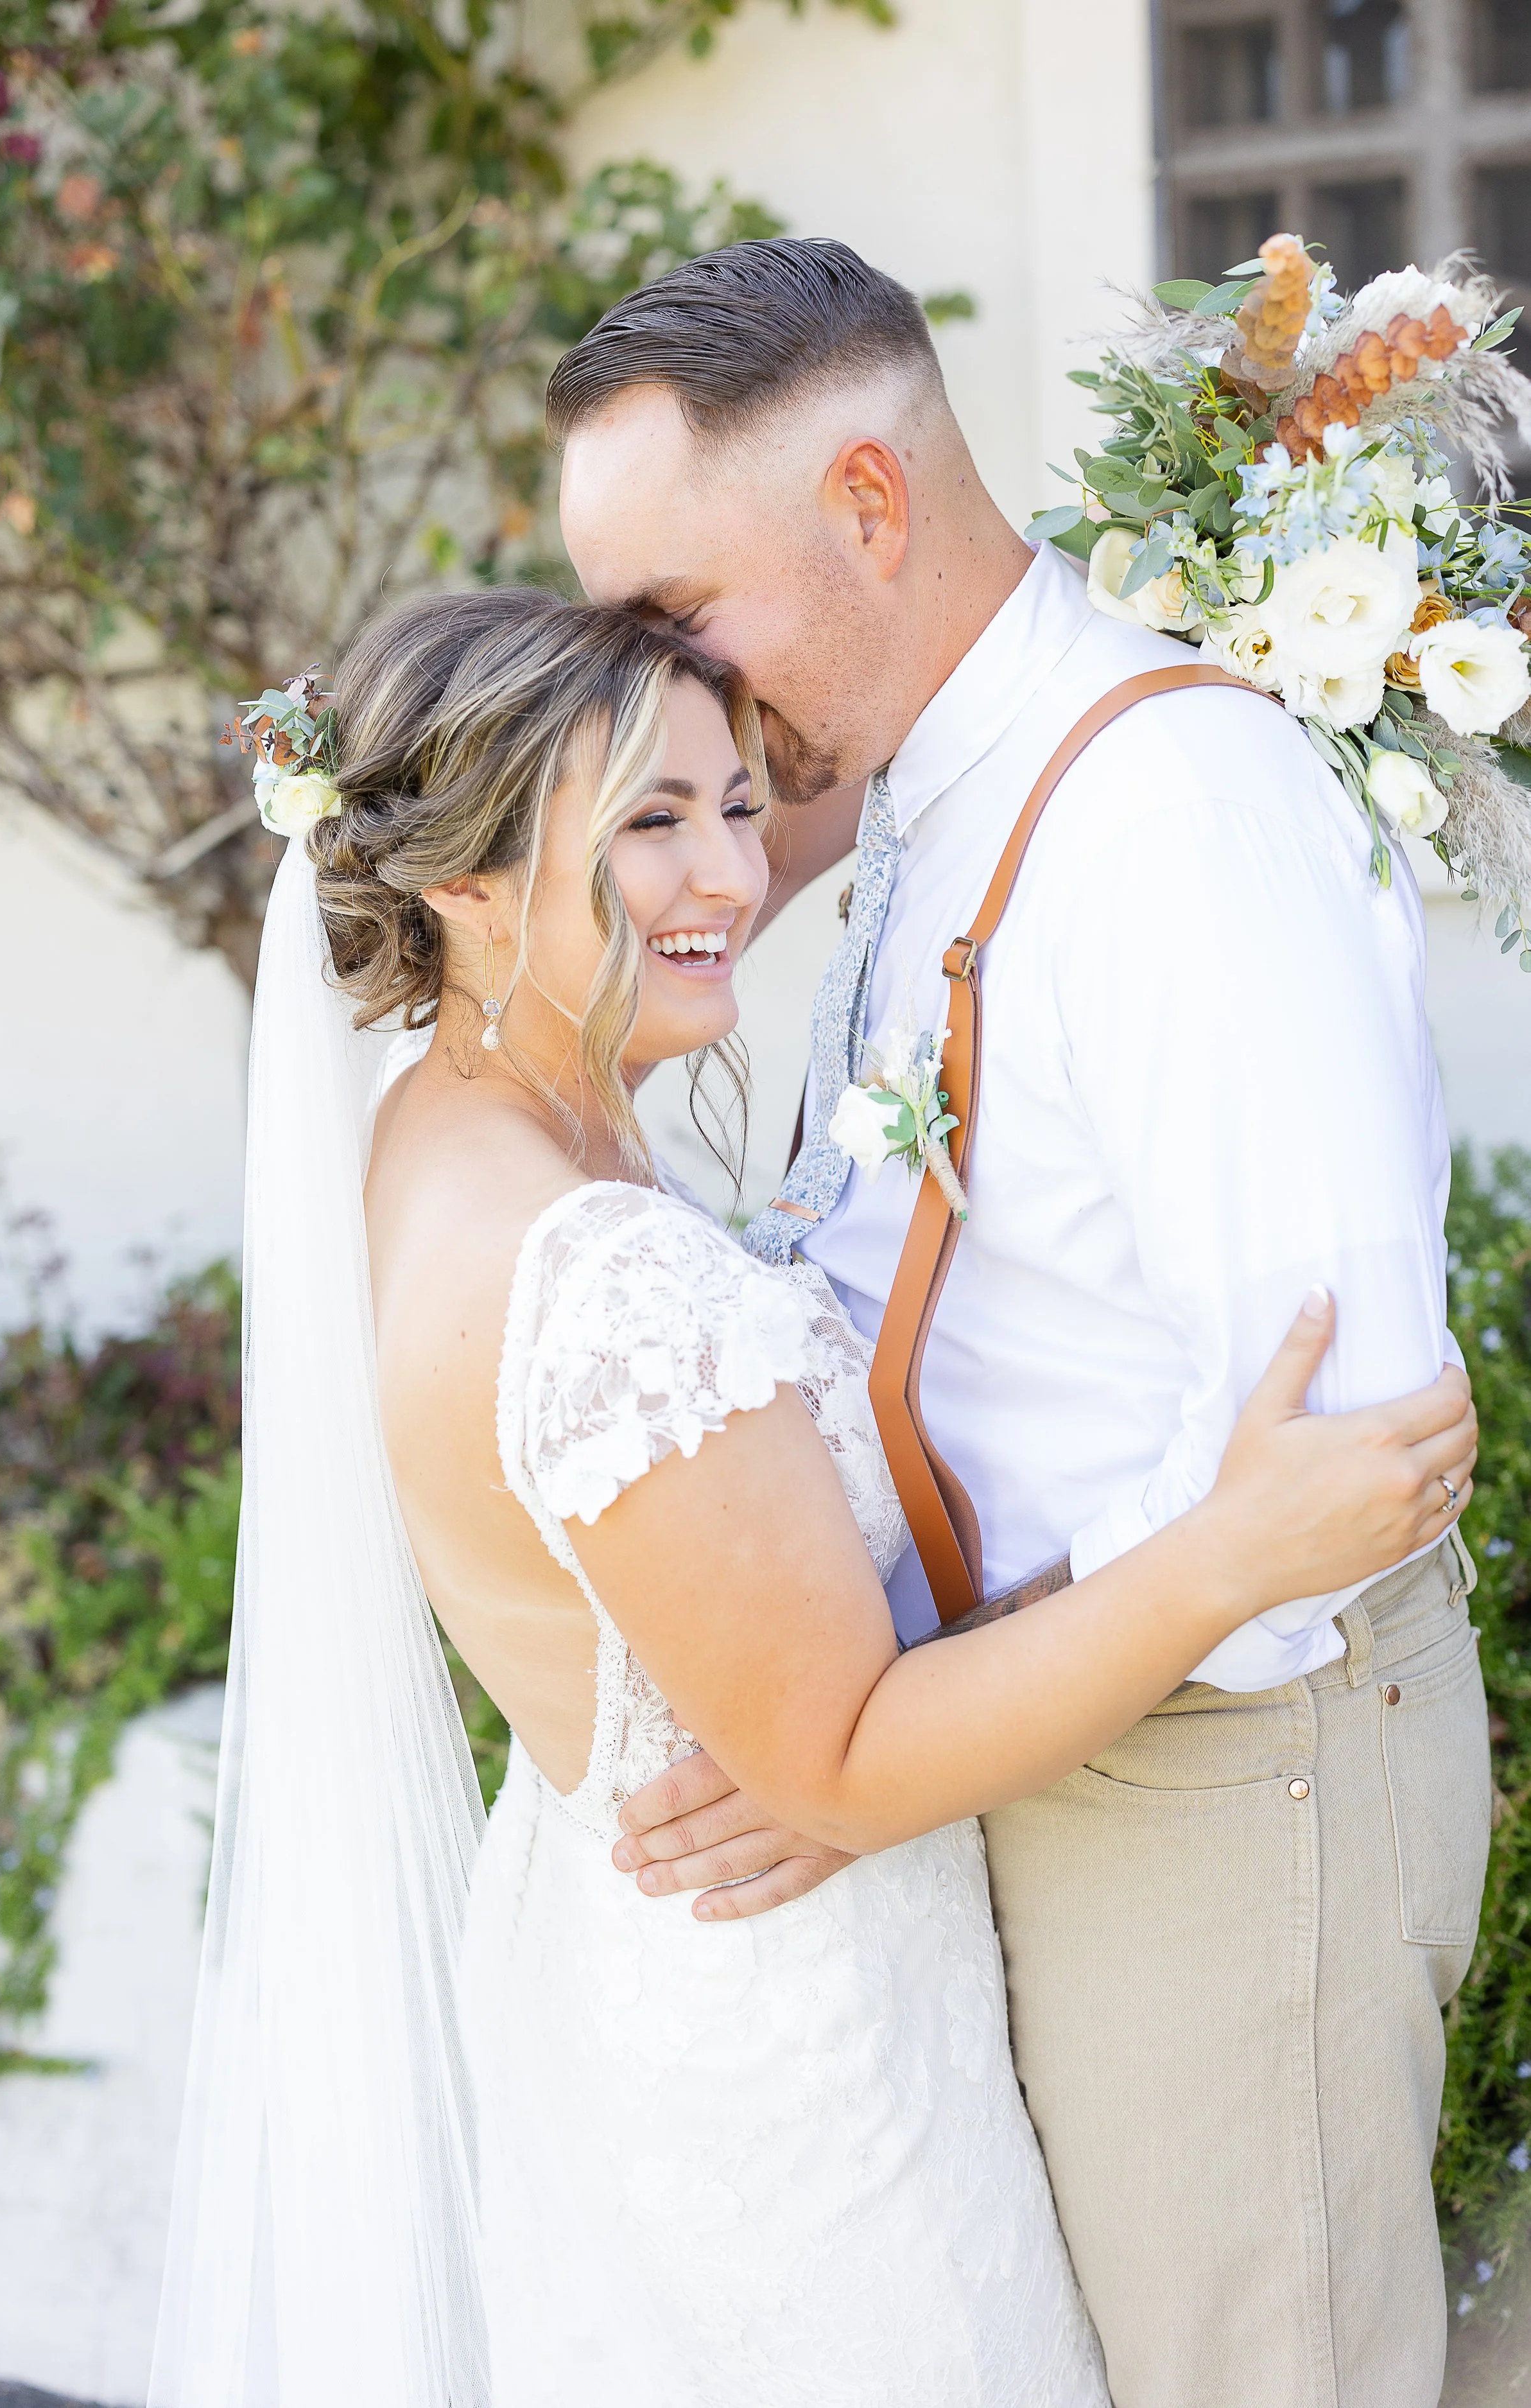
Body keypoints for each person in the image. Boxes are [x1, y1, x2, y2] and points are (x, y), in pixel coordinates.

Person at [150, 579, 1475, 2408]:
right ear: (459, 883)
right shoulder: (594, 1272)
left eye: (732, 805)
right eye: (645, 823)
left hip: (634, 1967)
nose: (725, 879)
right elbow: (838, 1762)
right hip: (794, 2057)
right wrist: (1227, 1551)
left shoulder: (443, 1121)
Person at [547, 237, 1494, 2408]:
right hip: (1055, 1733)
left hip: (1220, 1784)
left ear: (869, 505)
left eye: (670, 619)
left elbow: (1326, 1464)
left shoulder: (1169, 819)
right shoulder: (908, 771)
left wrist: (872, 1752)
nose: (650, 693)